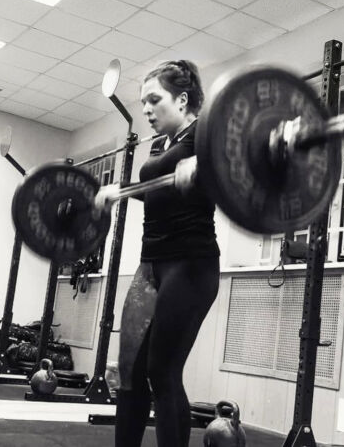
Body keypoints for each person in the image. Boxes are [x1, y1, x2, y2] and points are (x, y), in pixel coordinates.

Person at [99, 60, 220, 447]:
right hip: (150, 265)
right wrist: (120, 193)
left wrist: (203, 166)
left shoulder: (207, 136)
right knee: (129, 372)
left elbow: (242, 163)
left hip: (191, 266)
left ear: (182, 100)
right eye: (143, 103)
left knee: (162, 371)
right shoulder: (159, 144)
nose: (147, 110)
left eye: (154, 100)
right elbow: (159, 193)